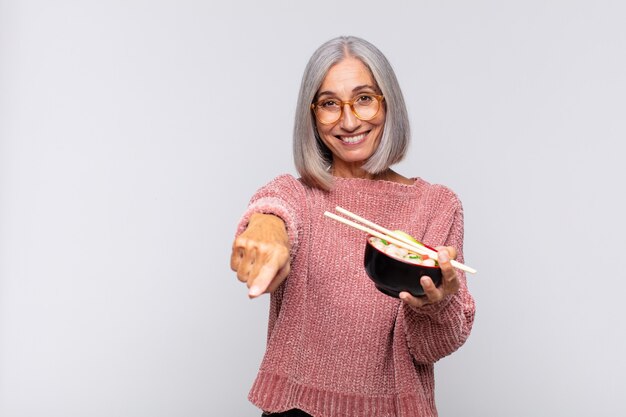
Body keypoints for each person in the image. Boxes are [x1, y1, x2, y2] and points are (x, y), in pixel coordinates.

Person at [230, 35, 475, 417]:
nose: (348, 121)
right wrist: (265, 230)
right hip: (296, 410)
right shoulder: (299, 195)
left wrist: (437, 306)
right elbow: (273, 209)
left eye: (364, 98)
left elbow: (431, 347)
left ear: (387, 102)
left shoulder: (437, 205)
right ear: (312, 116)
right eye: (329, 104)